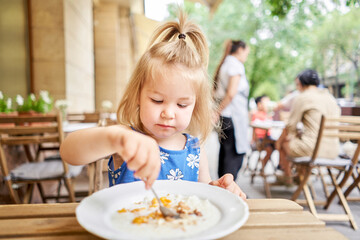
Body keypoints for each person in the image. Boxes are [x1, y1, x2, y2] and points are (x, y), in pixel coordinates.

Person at [60, 11, 246, 199]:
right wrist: (114, 138)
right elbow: (68, 152)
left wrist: (219, 190)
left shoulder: (195, 149)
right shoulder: (126, 141)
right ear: (138, 96)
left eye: (182, 105)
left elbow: (204, 192)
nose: (168, 113)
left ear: (195, 106)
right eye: (157, 100)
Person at [275, 69, 340, 185]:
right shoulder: (331, 98)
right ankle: (301, 177)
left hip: (313, 151)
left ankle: (288, 177)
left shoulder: (303, 97)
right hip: (333, 151)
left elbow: (290, 126)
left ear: (300, 83)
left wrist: (278, 142)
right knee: (299, 141)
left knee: (283, 142)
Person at [213, 40, 250, 181]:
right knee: (233, 155)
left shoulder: (226, 64)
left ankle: (223, 186)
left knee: (225, 152)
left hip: (226, 116)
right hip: (232, 115)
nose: (246, 56)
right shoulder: (235, 65)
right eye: (246, 52)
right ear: (240, 49)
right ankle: (228, 188)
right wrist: (217, 111)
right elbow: (231, 93)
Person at [251, 95, 275, 172]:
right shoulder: (256, 114)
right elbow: (256, 131)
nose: (267, 105)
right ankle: (263, 168)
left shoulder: (267, 115)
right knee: (269, 149)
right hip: (261, 139)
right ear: (259, 104)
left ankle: (281, 167)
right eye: (266, 102)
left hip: (268, 138)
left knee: (278, 145)